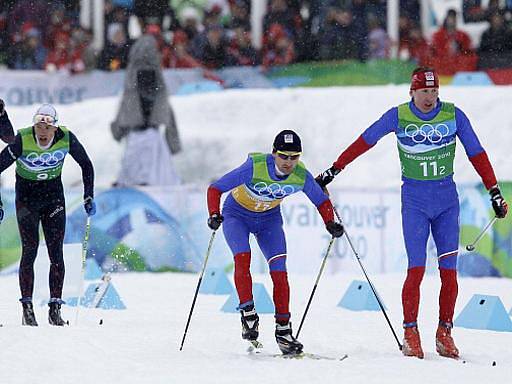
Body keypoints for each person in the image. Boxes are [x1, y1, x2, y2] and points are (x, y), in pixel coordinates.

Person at [315, 67, 508, 359]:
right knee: (416, 269)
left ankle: (444, 333)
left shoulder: (454, 115)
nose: (430, 98)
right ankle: (410, 331)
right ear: (412, 92)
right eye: (424, 92)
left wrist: (494, 190)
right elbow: (366, 140)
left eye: (434, 92)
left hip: (446, 202)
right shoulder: (399, 115)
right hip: (415, 203)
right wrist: (335, 169)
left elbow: (477, 153)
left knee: (449, 273)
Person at [206, 130, 344, 355]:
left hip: (269, 221)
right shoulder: (256, 166)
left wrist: (330, 222)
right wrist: (213, 214)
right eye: (284, 156)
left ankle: (284, 331)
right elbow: (216, 188)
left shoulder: (300, 175)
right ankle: (248, 314)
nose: (289, 162)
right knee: (243, 259)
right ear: (274, 154)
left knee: (279, 272)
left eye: (294, 156)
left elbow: (321, 200)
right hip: (236, 216)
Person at [0, 103, 96, 327]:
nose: (42, 133)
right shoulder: (22, 139)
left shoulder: (66, 138)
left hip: (53, 200)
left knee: (56, 253)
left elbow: (86, 164)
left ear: (55, 128)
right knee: (30, 250)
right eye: (39, 128)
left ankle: (55, 309)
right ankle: (28, 309)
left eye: (47, 128)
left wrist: (88, 195)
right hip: (27, 201)